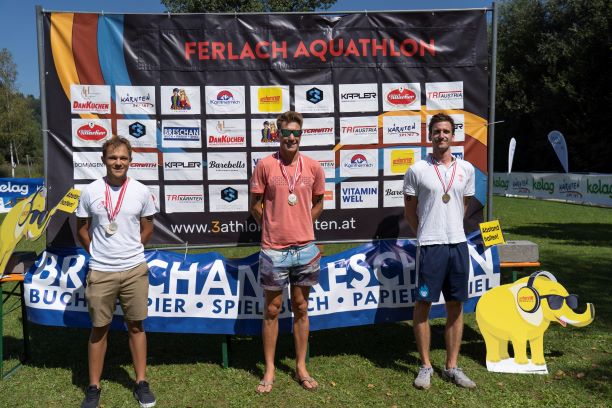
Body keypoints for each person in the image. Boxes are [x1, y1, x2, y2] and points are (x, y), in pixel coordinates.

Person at [76, 137, 157, 408]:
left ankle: (141, 382)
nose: (118, 162)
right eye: (113, 158)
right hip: (101, 271)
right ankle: (93, 387)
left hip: (134, 269)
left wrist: (131, 250)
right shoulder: (90, 191)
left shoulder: (141, 191)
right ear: (103, 160)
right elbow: (81, 229)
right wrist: (97, 253)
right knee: (99, 328)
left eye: (123, 158)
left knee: (136, 325)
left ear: (130, 160)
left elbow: (148, 228)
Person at [249, 111, 325, 393]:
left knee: (302, 307)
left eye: (296, 133)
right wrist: (271, 225)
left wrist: (303, 222)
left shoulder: (313, 167)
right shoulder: (265, 165)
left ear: (301, 135)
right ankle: (269, 368)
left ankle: (301, 366)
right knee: (272, 309)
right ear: (277, 135)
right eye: (286, 133)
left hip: (305, 249)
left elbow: (319, 203)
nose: (291, 137)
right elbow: (254, 204)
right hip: (274, 250)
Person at [403, 113, 477, 390]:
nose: (441, 135)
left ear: (453, 136)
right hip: (430, 245)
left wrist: (450, 225)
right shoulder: (417, 169)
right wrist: (425, 232)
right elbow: (410, 210)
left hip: (458, 244)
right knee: (423, 304)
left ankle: (452, 366)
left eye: (446, 131)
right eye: (437, 131)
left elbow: (464, 205)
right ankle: (425, 366)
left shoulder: (466, 169)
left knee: (456, 305)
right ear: (430, 135)